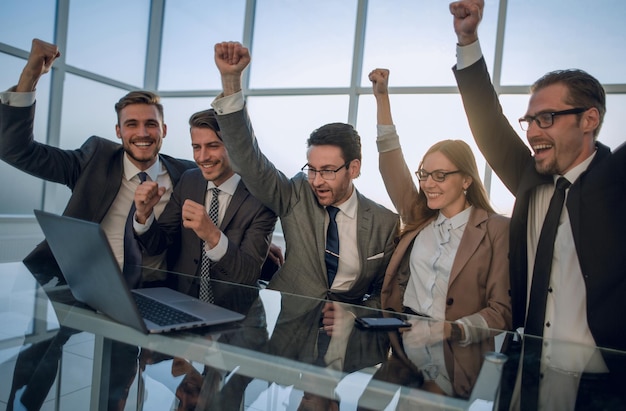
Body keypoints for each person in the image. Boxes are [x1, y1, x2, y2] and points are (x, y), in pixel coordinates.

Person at [450, 1, 626, 409]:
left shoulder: (614, 183)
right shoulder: (529, 176)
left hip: (601, 387)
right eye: (528, 120)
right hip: (522, 371)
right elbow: (487, 122)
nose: (531, 132)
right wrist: (468, 39)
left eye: (545, 118)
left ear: (589, 120)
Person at [208, 41, 399, 408]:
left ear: (354, 169)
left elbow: (385, 296)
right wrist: (232, 82)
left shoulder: (385, 223)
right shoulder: (296, 194)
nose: (317, 180)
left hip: (343, 343)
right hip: (285, 329)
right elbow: (249, 161)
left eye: (328, 170)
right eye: (312, 169)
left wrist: (354, 313)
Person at [364, 68, 511, 401]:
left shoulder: (497, 230)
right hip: (403, 345)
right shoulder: (418, 215)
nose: (428, 183)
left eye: (440, 175)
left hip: (455, 352)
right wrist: (382, 98)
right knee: (366, 405)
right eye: (424, 174)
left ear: (467, 180)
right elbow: (390, 161)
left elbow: (501, 311)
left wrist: (451, 329)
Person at [134, 108, 278, 298]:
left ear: (234, 146)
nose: (202, 157)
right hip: (182, 303)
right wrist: (144, 215)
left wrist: (212, 235)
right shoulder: (189, 181)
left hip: (235, 314)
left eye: (212, 146)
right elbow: (158, 245)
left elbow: (247, 275)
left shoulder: (260, 198)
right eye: (196, 147)